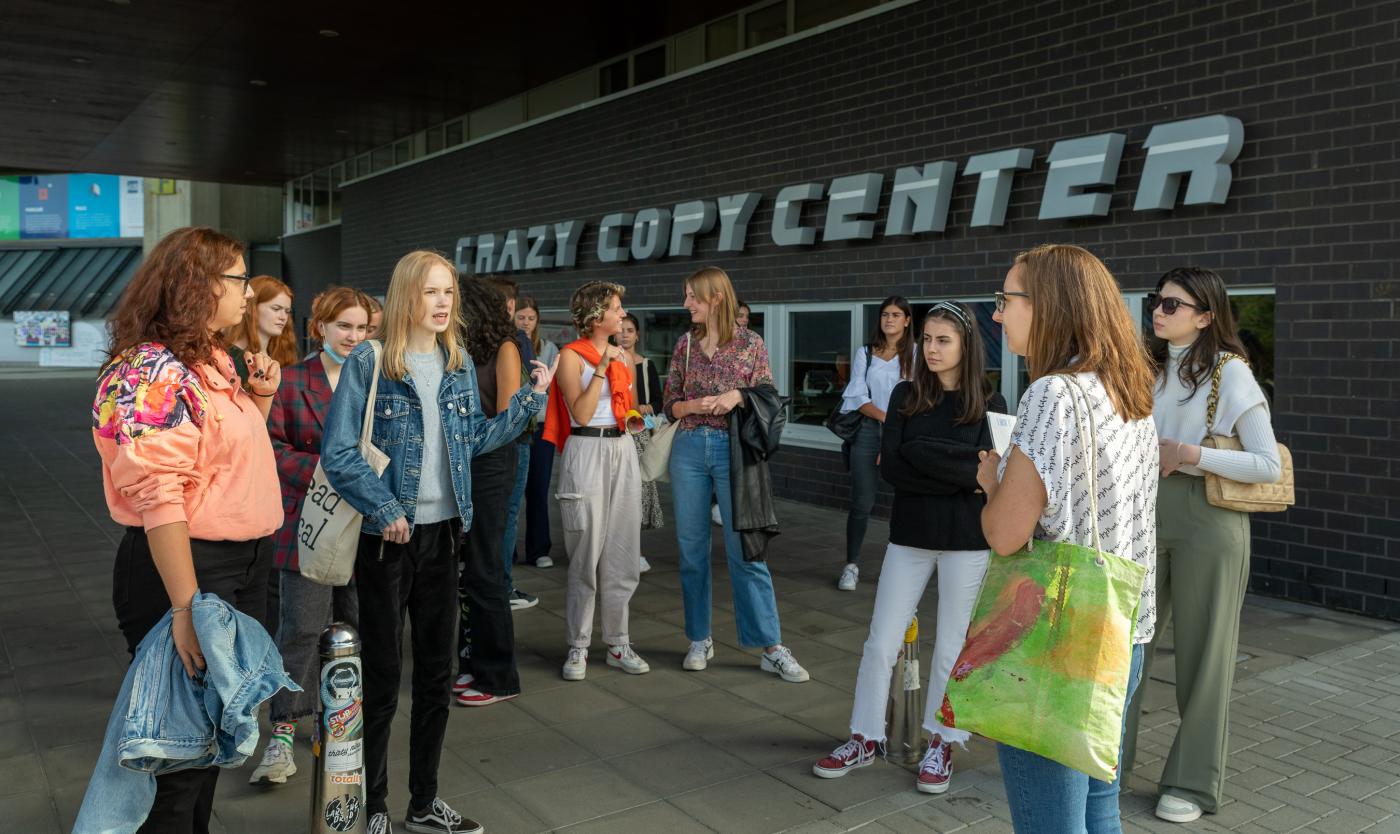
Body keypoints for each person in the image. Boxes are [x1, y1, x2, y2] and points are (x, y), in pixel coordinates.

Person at [320, 250, 553, 834]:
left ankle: (422, 804)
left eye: (448, 291)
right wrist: (385, 505)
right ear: (406, 296)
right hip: (386, 541)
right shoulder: (371, 362)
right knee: (380, 679)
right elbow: (340, 453)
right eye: (431, 292)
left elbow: (471, 438)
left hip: (445, 535)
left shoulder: (454, 363)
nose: (444, 302)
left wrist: (527, 401)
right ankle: (372, 809)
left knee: (435, 676)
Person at [91, 226, 283, 831]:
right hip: (190, 570)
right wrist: (184, 607)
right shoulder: (151, 371)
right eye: (239, 280)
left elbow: (221, 465)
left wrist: (260, 401)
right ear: (197, 286)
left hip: (240, 566)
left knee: (207, 750)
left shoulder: (212, 358)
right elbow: (160, 497)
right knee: (178, 762)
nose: (248, 294)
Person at [975, 244, 1158, 834]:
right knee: (1099, 808)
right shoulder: (1129, 390)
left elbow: (1006, 535)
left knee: (1050, 824)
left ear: (1051, 304)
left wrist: (990, 482)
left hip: (1054, 639)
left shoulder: (1052, 394)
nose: (998, 314)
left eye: (1007, 299)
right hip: (1119, 630)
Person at [813, 301, 1004, 793]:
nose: (933, 349)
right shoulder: (903, 395)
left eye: (945, 340)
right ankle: (865, 736)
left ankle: (942, 742)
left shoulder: (991, 401)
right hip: (910, 535)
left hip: (967, 541)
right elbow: (894, 470)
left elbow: (990, 477)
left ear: (966, 346)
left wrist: (928, 460)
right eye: (929, 340)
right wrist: (960, 472)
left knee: (952, 649)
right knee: (881, 642)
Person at [1122, 267, 1282, 824]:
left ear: (1206, 316)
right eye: (1156, 301)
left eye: (1172, 304)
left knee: (1203, 656)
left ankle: (1191, 784)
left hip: (1208, 517)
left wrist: (1192, 455)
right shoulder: (1142, 366)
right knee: (1125, 647)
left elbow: (1266, 464)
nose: (1158, 312)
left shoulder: (1229, 371)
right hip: (1142, 511)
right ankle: (1106, 761)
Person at [249, 286, 374, 785]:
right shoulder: (292, 379)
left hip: (367, 524)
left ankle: (340, 722)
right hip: (310, 519)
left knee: (358, 624)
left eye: (363, 327)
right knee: (300, 627)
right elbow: (270, 447)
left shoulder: (377, 381)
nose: (354, 336)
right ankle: (280, 735)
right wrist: (332, 472)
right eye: (344, 326)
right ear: (319, 326)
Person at [662, 266, 808, 683]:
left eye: (693, 296)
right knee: (692, 552)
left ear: (716, 298)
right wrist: (692, 406)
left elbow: (768, 396)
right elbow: (669, 401)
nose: (686, 303)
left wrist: (736, 396)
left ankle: (771, 646)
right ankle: (699, 637)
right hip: (688, 449)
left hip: (733, 451)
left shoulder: (750, 344)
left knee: (746, 548)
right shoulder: (685, 345)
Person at [542, 281, 651, 681]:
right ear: (596, 315)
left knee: (623, 550)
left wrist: (642, 422)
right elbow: (583, 414)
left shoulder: (625, 355)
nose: (622, 315)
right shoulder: (572, 356)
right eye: (617, 308)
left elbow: (632, 409)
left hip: (621, 449)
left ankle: (619, 642)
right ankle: (579, 645)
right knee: (586, 551)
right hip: (586, 450)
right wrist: (603, 367)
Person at [452, 278, 529, 707]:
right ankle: (475, 663)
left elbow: (508, 420)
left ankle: (498, 677)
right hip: (464, 462)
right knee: (467, 573)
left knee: (486, 570)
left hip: (492, 464)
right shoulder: (460, 350)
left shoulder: (506, 348)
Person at [834, 296, 914, 591]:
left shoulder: (916, 354)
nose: (889, 319)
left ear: (907, 320)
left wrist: (893, 430)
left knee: (904, 503)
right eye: (884, 315)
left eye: (895, 315)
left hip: (903, 435)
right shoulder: (865, 353)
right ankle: (851, 565)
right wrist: (885, 419)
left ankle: (900, 570)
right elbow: (856, 397)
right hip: (868, 431)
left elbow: (916, 397)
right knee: (862, 502)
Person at [483, 275, 539, 609]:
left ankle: (488, 582)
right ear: (509, 305)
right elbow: (526, 390)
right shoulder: (515, 341)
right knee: (508, 514)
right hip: (514, 437)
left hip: (481, 438)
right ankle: (501, 586)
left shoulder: (473, 340)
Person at [617, 312, 664, 572]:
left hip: (638, 432)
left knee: (640, 492)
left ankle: (635, 550)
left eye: (630, 330)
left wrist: (646, 407)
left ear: (637, 335)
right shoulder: (610, 361)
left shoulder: (646, 365)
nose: (624, 334)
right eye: (621, 329)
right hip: (613, 430)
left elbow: (659, 401)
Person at [516, 295, 560, 568]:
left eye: (531, 318)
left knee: (538, 489)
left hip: (541, 427)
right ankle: (506, 551)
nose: (526, 322)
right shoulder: (508, 347)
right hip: (516, 425)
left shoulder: (548, 348)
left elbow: (555, 388)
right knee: (511, 492)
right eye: (521, 317)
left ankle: (539, 549)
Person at [225, 275, 296, 382]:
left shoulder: (283, 356)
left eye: (287, 311)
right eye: (276, 309)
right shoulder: (228, 356)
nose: (283, 317)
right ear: (250, 307)